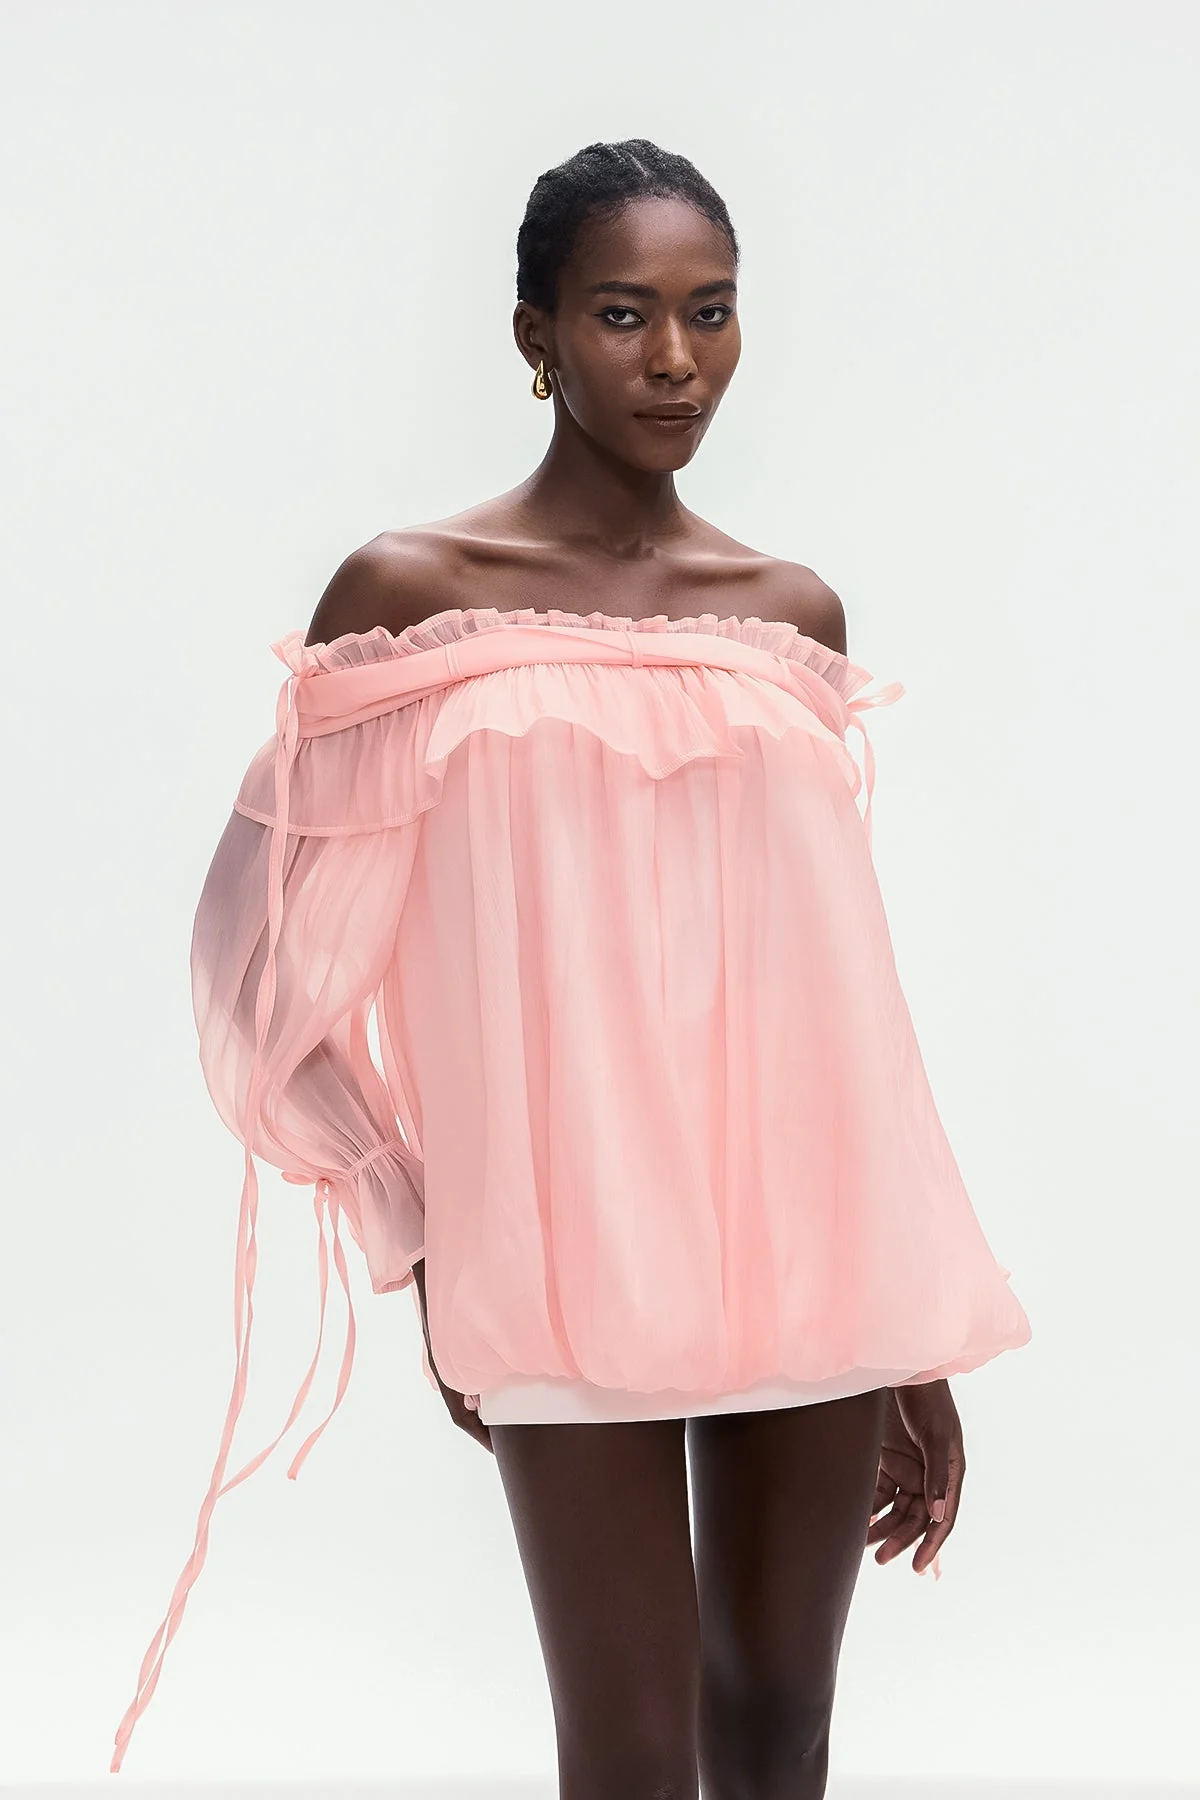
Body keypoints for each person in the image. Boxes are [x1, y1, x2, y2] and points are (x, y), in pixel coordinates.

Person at [110, 139, 1031, 1796]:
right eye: (623, 313)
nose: (675, 358)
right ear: (535, 334)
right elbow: (255, 970)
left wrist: (914, 1335)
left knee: (779, 1729)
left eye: (710, 311)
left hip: (815, 1243)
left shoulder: (790, 616)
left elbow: (836, 1000)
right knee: (629, 1759)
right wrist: (415, 1219)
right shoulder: (412, 598)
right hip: (561, 1249)